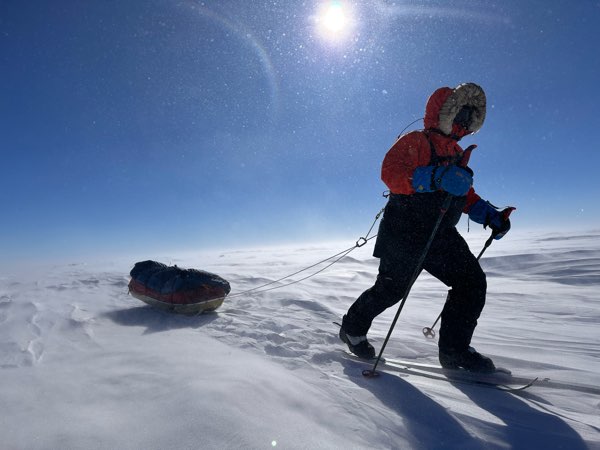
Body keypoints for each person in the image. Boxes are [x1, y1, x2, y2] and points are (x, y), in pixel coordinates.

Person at [339, 82, 513, 373]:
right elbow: (391, 173)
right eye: (459, 114)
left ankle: (454, 352)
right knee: (391, 290)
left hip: (439, 233)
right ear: (443, 114)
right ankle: (352, 329)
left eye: (469, 117)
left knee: (471, 283)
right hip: (404, 232)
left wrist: (488, 214)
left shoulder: (456, 153)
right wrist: (433, 177)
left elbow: (463, 193)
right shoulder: (416, 142)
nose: (464, 123)